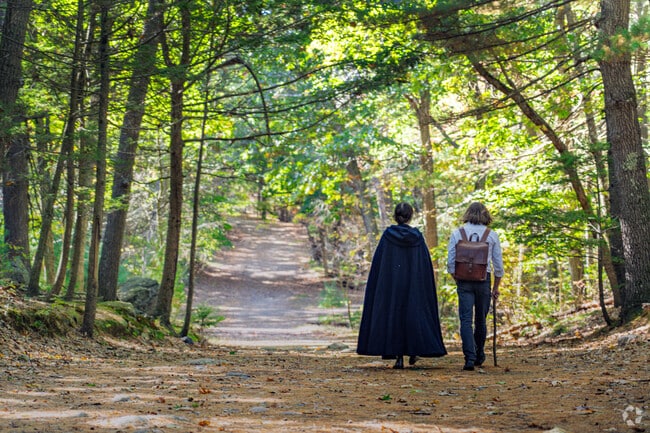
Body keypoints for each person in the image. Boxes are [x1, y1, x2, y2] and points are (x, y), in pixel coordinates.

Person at [357, 202, 447, 369]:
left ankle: (399, 357)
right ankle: (413, 352)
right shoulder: (417, 237)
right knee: (413, 315)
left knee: (395, 316)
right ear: (411, 216)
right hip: (414, 285)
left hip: (393, 286)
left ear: (395, 216)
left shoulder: (387, 236)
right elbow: (423, 265)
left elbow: (380, 265)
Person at [447, 202, 504, 371]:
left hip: (463, 281)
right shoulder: (491, 235)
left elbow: (450, 263)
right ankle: (480, 355)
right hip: (483, 281)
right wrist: (495, 287)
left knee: (465, 320)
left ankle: (469, 358)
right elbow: (498, 266)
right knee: (481, 320)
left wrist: (457, 279)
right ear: (486, 215)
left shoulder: (457, 233)